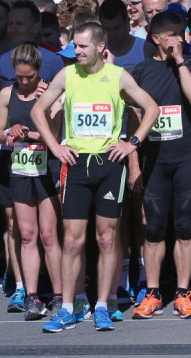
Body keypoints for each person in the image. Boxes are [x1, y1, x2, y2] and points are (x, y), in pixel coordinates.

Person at [33, 22, 159, 333]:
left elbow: (151, 108)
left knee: (107, 238)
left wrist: (133, 143)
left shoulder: (117, 76)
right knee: (72, 240)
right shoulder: (68, 74)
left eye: (83, 47)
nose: (76, 52)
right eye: (75, 46)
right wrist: (56, 146)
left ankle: (103, 305)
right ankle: (67, 307)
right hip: (75, 163)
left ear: (101, 47)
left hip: (109, 165)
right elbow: (38, 111)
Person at [129, 11, 191, 320]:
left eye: (182, 33)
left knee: (185, 227)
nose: (178, 39)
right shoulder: (141, 70)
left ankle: (184, 294)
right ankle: (152, 293)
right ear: (156, 39)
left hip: (187, 156)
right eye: (171, 35)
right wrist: (134, 166)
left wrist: (180, 60)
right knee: (154, 229)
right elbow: (132, 121)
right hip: (153, 160)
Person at [0, 43, 64, 321]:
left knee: (48, 235)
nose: (24, 82)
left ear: (38, 71)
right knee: (27, 235)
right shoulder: (7, 94)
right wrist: (11, 130)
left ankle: (58, 296)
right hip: (20, 169)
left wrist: (44, 114)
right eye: (19, 77)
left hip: (47, 167)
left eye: (29, 77)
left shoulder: (48, 92)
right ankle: (32, 296)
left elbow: (55, 134)